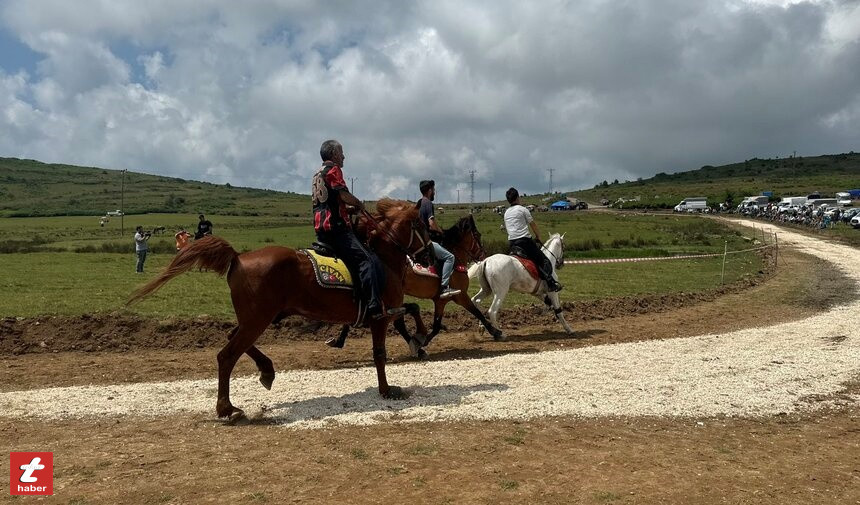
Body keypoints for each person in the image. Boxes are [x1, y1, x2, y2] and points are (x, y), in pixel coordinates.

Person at [312, 139, 395, 320]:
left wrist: (348, 209)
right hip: (336, 229)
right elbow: (343, 195)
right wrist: (358, 204)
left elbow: (331, 201)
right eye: (341, 152)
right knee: (367, 260)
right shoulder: (334, 170)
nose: (344, 156)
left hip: (321, 229)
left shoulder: (317, 173)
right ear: (333, 154)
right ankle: (373, 305)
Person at [504, 187, 562, 292]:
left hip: (512, 244)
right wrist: (538, 237)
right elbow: (533, 225)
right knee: (543, 260)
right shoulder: (523, 209)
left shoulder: (506, 212)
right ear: (517, 198)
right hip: (524, 242)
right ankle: (551, 283)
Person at [417, 180, 461, 299]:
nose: (435, 192)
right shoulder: (428, 203)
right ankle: (444, 287)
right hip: (426, 240)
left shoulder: (420, 203)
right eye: (434, 190)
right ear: (430, 190)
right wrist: (440, 231)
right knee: (450, 257)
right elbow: (431, 223)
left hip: (419, 239)